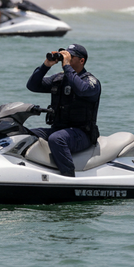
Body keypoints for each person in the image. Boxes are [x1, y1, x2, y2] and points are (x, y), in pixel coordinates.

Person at [26, 44, 101, 177]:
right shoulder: (59, 79)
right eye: (64, 56)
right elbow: (32, 85)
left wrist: (67, 67)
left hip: (82, 133)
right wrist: (46, 65)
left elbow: (82, 89)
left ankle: (68, 177)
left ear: (81, 60)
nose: (65, 59)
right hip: (59, 129)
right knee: (26, 135)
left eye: (70, 57)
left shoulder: (91, 81)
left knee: (57, 139)